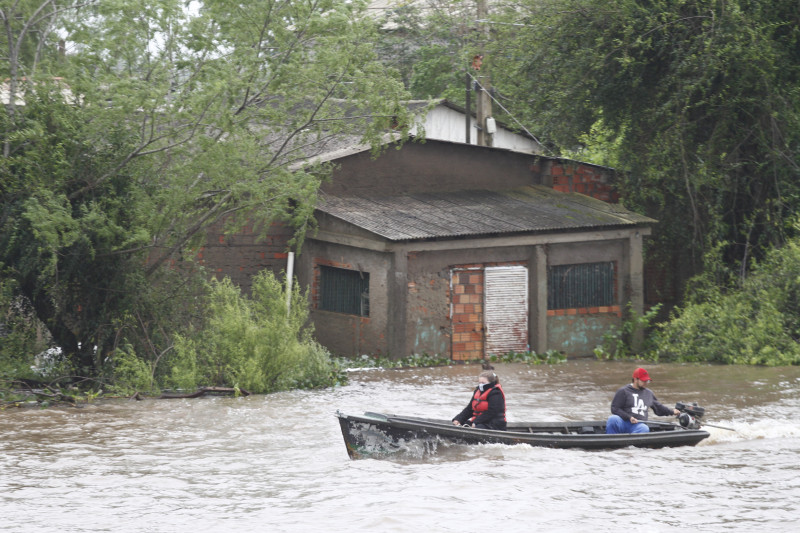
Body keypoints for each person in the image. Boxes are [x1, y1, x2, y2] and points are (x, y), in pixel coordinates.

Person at [606, 367, 680, 434]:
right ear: (635, 379)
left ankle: (629, 445)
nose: (646, 383)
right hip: (623, 422)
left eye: (647, 381)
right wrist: (629, 417)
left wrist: (672, 412)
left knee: (644, 428)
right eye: (644, 381)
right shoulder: (623, 391)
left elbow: (659, 408)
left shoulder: (649, 393)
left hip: (638, 425)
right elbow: (615, 409)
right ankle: (611, 440)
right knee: (613, 419)